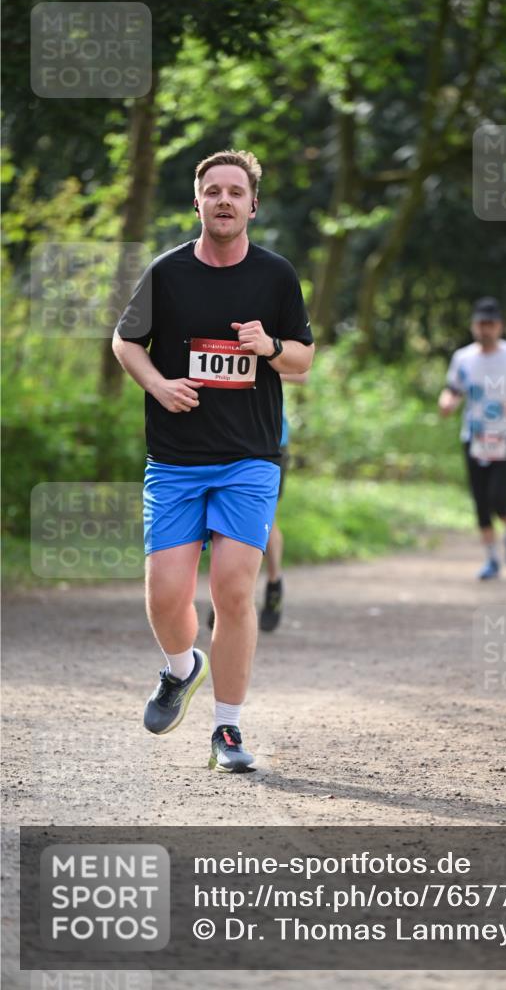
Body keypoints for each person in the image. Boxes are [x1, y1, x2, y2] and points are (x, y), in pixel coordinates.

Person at [112, 149, 314, 772]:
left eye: (236, 191)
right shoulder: (167, 273)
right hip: (174, 460)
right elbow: (125, 341)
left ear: (253, 205)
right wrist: (158, 385)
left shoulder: (276, 276)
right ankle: (182, 668)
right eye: (213, 191)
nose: (224, 200)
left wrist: (270, 345)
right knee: (166, 596)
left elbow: (303, 362)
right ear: (196, 202)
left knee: (231, 590)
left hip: (249, 458)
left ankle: (226, 729)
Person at [438, 297, 506, 580]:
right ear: (474, 326)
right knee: (481, 500)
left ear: (500, 326)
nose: (485, 330)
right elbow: (453, 389)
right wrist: (446, 403)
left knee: (498, 496)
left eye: (490, 325)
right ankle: (492, 559)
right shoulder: (463, 358)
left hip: (505, 436)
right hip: (473, 436)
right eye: (480, 324)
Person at [207, 373, 309, 636]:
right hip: (217, 433)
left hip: (268, 436)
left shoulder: (271, 331)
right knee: (219, 518)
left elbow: (302, 372)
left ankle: (274, 583)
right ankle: (226, 591)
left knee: (264, 519)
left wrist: (252, 364)